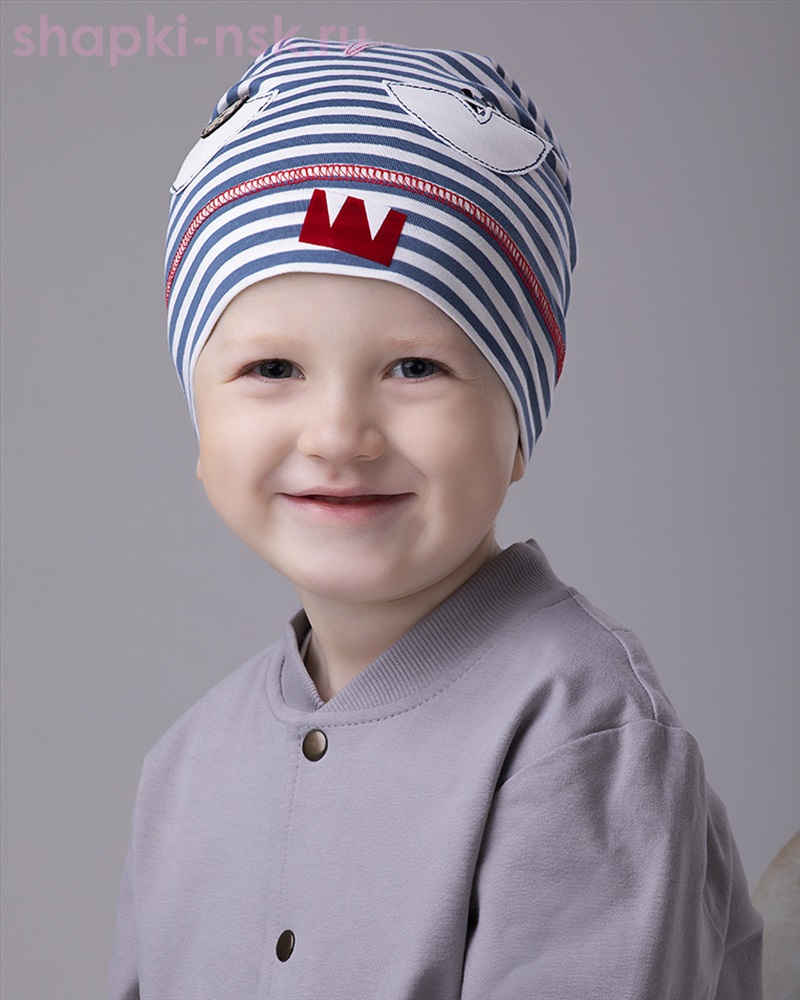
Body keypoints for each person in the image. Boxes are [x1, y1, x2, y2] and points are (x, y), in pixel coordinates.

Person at [109, 38, 763, 999]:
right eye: (272, 369)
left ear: (519, 419)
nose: (339, 435)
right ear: (200, 422)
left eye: (415, 367)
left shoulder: (578, 732)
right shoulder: (184, 770)